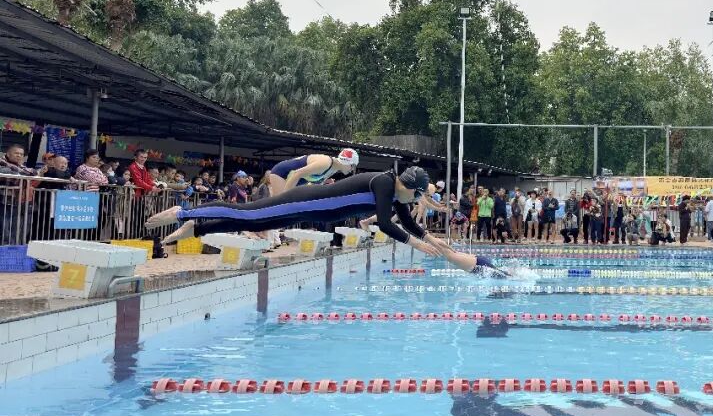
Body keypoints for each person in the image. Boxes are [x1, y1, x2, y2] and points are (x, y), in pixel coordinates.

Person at [145, 166, 506, 275]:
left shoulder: (396, 193)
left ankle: (199, 228)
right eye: (418, 195)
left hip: (308, 211)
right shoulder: (384, 183)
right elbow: (385, 223)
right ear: (410, 187)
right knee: (250, 214)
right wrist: (417, 244)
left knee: (254, 224)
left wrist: (433, 241)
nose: (416, 201)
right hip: (304, 200)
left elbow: (408, 223)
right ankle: (185, 212)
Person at [266, 149, 359, 196]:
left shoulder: (333, 169)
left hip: (293, 180)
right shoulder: (325, 163)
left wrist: (324, 183)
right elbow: (296, 173)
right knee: (281, 207)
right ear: (347, 162)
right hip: (281, 174)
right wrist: (286, 198)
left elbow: (312, 184)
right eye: (353, 166)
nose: (352, 170)